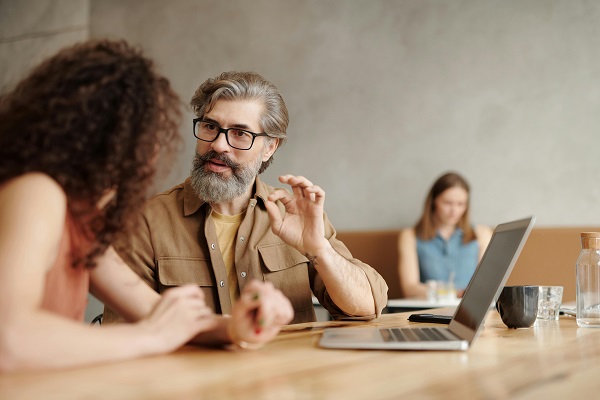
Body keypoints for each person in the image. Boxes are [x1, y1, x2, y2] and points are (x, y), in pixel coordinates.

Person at [0, 40, 293, 372]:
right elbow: (8, 339)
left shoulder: (84, 219)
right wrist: (150, 337)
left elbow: (155, 312)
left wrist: (234, 327)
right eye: (147, 130)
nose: (154, 148)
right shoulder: (37, 192)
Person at [104, 71, 388, 324]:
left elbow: (365, 307)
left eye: (240, 133)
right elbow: (123, 334)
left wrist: (319, 250)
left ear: (269, 147)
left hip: (286, 379)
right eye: (210, 126)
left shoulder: (296, 216)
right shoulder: (146, 220)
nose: (218, 144)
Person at [397, 172, 493, 298]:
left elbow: (486, 285)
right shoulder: (410, 236)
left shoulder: (482, 234)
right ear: (433, 202)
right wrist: (455, 293)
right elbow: (409, 288)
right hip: (429, 309)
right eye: (447, 203)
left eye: (460, 204)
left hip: (469, 310)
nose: (454, 211)